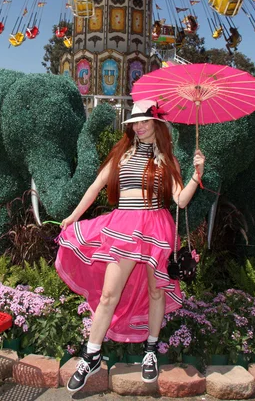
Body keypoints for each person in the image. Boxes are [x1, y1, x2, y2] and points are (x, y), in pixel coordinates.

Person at [55, 99, 205, 392]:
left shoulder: (167, 159)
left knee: (155, 290)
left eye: (145, 121)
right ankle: (92, 353)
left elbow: (181, 200)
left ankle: (151, 349)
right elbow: (96, 186)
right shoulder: (121, 154)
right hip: (123, 227)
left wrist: (197, 174)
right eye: (135, 122)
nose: (139, 126)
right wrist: (73, 216)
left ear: (156, 124)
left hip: (155, 228)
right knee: (109, 294)